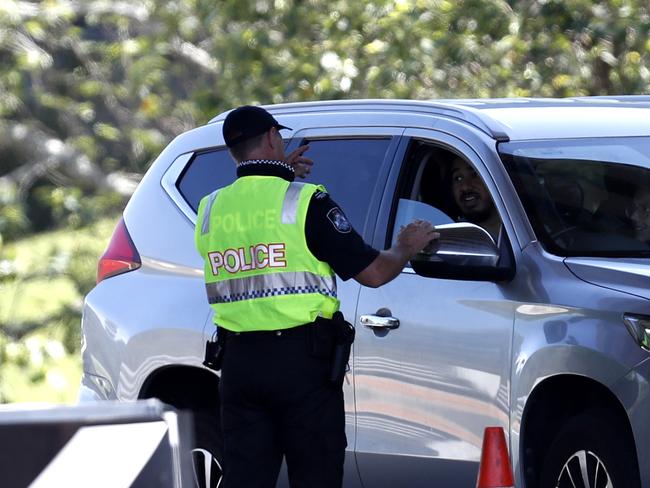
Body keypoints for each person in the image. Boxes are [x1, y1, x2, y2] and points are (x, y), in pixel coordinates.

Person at [194, 105, 438, 488]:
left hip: (239, 366)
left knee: (245, 479)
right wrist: (405, 245)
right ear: (274, 137)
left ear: (232, 152)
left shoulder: (210, 209)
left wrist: (279, 174)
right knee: (316, 476)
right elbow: (374, 273)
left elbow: (258, 228)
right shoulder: (306, 201)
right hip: (300, 368)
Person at [449, 156, 501, 241]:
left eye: (475, 174)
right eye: (458, 178)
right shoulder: (454, 241)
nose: (465, 187)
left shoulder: (526, 226)